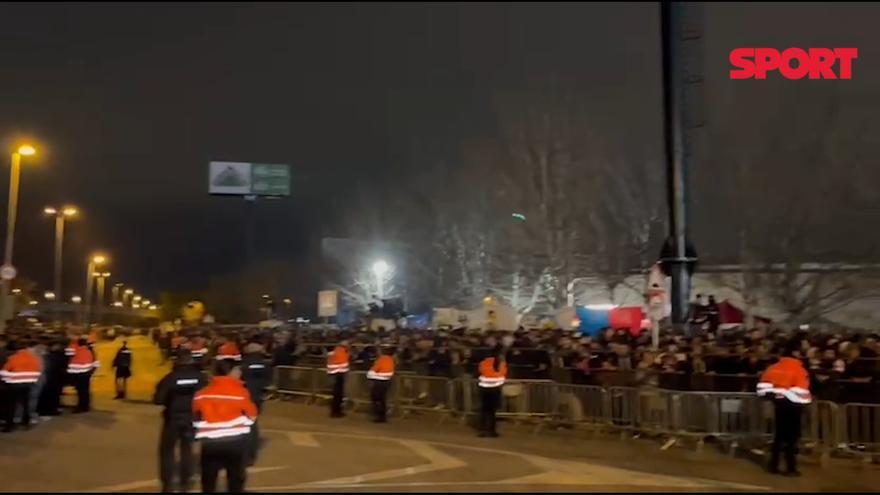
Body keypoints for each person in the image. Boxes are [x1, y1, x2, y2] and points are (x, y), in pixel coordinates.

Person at [193, 359, 258, 493]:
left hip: (210, 443)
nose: (240, 372)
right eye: (238, 369)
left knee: (208, 479)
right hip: (235, 442)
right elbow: (252, 416)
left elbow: (195, 418)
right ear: (231, 372)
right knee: (235, 479)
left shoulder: (202, 394)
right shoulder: (241, 393)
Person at [154, 348, 207, 493]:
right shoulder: (200, 378)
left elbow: (158, 399)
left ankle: (167, 484)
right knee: (187, 449)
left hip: (173, 419)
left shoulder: (170, 378)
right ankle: (185, 482)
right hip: (192, 418)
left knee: (167, 451)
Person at [757, 342, 811, 476]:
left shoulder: (772, 368)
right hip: (794, 406)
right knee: (792, 438)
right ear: (795, 354)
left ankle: (773, 465)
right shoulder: (799, 370)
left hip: (778, 404)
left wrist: (775, 396)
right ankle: (790, 468)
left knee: (779, 436)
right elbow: (802, 391)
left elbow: (763, 387)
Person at [240, 340, 272, 466]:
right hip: (257, 397)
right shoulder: (265, 365)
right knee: (253, 424)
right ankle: (251, 453)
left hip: (243, 397)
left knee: (243, 426)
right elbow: (268, 381)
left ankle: (245, 453)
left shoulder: (243, 365)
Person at [1, 340, 41, 432]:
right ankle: (26, 422)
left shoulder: (13, 358)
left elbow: (4, 372)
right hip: (28, 384)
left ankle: (9, 426)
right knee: (25, 404)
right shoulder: (34, 358)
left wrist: (7, 380)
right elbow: (37, 372)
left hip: (14, 385)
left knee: (11, 406)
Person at [476, 345, 507, 438]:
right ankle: (492, 430)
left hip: (484, 388)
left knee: (484, 411)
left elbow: (480, 372)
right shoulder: (501, 364)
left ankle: (483, 430)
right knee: (492, 412)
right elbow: (503, 374)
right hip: (496, 389)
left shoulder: (483, 363)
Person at [67, 337, 98, 413]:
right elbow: (96, 364)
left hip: (78, 374)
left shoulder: (76, 350)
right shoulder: (90, 351)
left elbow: (69, 355)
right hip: (86, 373)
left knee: (81, 391)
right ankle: (85, 406)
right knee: (85, 391)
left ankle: (81, 406)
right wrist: (91, 372)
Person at [37, 339, 66, 417]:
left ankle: (44, 410)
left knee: (47, 395)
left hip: (48, 378)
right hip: (55, 378)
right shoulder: (58, 355)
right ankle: (51, 410)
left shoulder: (46, 356)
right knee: (54, 395)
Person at [367, 346, 395, 423]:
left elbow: (371, 373)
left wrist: (371, 375)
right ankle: (382, 416)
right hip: (386, 382)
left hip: (379, 382)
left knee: (377, 399)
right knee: (382, 400)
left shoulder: (382, 360)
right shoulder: (390, 359)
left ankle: (379, 415)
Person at [326, 340, 350, 418]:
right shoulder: (342, 352)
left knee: (337, 395)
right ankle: (336, 411)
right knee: (338, 395)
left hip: (334, 374)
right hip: (338, 375)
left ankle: (336, 411)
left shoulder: (334, 352)